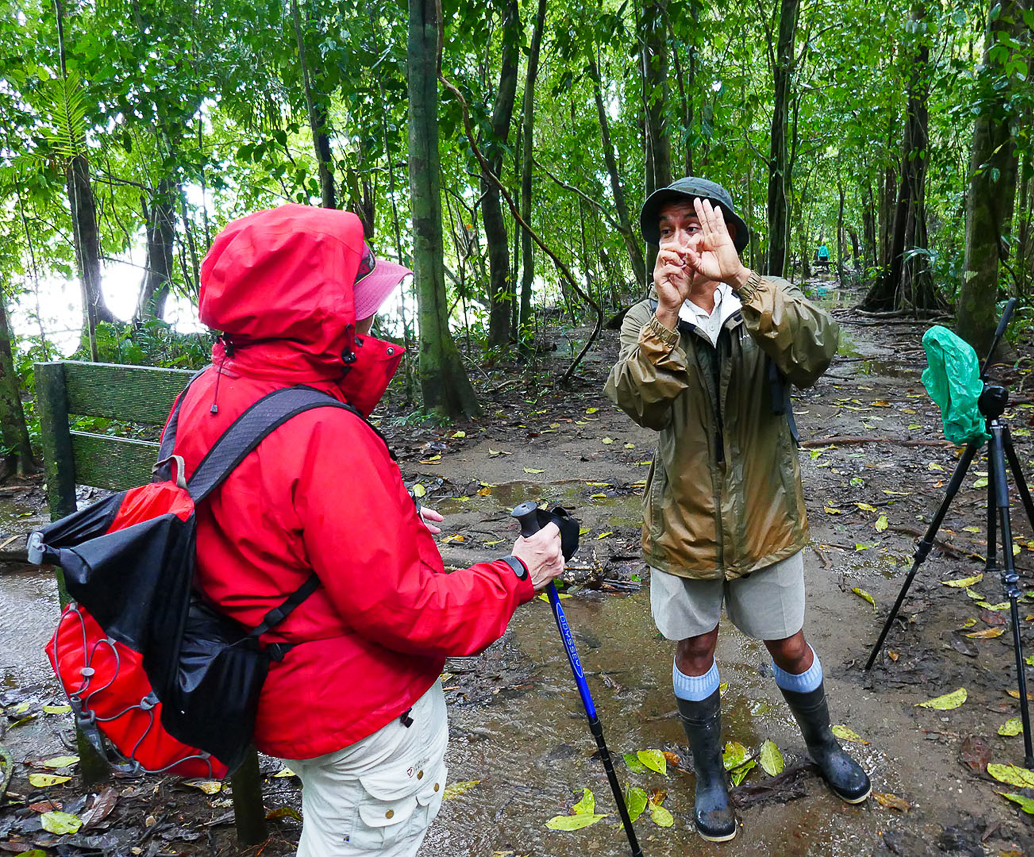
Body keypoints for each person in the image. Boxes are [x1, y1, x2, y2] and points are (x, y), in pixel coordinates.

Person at [170, 204, 565, 856]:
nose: (372, 313)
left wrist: (385, 513)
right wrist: (519, 572)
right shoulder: (323, 432)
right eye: (357, 301)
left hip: (279, 686)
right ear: (312, 316)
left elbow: (261, 521)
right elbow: (407, 608)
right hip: (360, 718)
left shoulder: (210, 390)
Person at [605, 177, 870, 842]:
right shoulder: (645, 320)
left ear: (723, 234)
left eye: (691, 225)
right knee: (695, 646)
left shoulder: (766, 302)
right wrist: (666, 319)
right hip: (684, 523)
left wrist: (746, 283)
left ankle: (823, 743)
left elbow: (817, 350)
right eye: (665, 231)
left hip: (766, 518)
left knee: (788, 639)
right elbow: (639, 402)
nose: (677, 242)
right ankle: (711, 776)